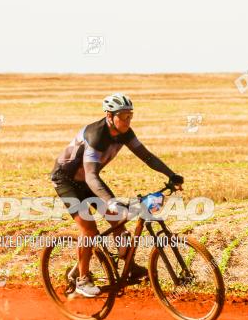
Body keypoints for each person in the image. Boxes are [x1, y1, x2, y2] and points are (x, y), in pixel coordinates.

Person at [50, 93, 184, 297]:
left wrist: (171, 175)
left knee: (118, 220)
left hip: (88, 182)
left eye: (130, 116)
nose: (127, 120)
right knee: (89, 229)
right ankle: (82, 279)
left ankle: (126, 265)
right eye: (123, 116)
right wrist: (110, 201)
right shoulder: (96, 136)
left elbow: (146, 156)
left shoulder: (125, 133)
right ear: (109, 116)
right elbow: (92, 175)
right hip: (66, 181)